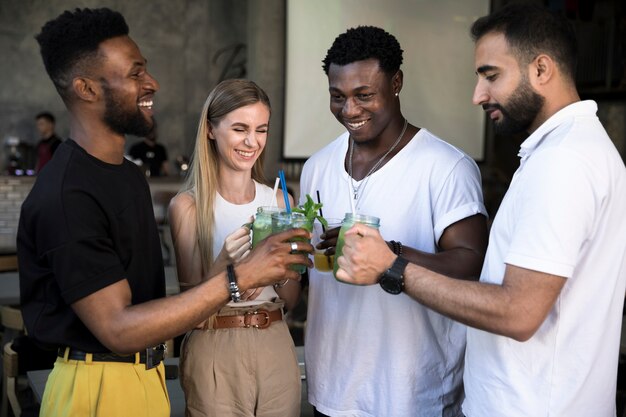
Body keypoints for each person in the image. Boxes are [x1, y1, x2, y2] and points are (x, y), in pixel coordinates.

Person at [17, 8, 312, 417]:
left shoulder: (127, 176)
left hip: (146, 376)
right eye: (135, 72)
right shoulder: (67, 194)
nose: (151, 82)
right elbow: (118, 329)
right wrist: (238, 275)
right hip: (98, 385)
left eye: (146, 70)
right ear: (86, 88)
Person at [335, 4, 626, 417]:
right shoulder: (574, 149)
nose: (478, 95)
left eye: (491, 75)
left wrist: (392, 268)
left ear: (541, 70)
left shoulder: (564, 162)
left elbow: (518, 312)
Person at [299, 25, 488, 417]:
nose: (349, 110)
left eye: (364, 95)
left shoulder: (447, 166)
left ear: (396, 82)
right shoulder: (316, 167)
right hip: (330, 391)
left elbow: (472, 263)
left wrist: (392, 254)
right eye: (337, 97)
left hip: (413, 395)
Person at [168, 79, 302, 417]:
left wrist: (290, 265)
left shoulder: (280, 200)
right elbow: (190, 314)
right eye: (240, 128)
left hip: (275, 340)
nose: (251, 141)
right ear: (211, 130)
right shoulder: (188, 207)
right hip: (215, 345)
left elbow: (290, 300)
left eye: (261, 130)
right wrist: (230, 270)